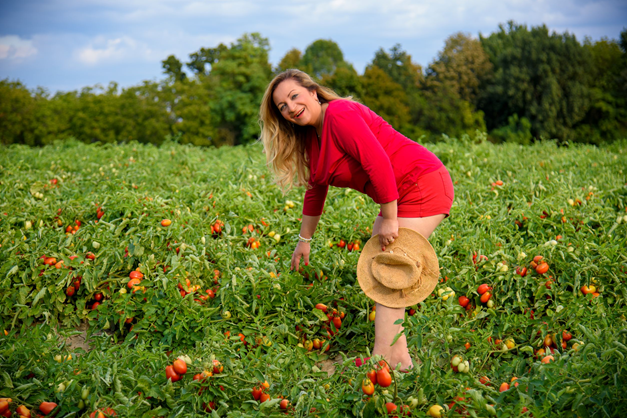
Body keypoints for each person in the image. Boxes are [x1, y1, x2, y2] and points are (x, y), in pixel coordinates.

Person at [259, 69, 454, 371]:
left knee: (391, 267)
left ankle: (386, 361)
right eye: (282, 107)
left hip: (421, 182)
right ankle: (396, 359)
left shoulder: (339, 113)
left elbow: (378, 162)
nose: (290, 108)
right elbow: (315, 190)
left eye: (294, 96)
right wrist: (304, 241)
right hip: (399, 193)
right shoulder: (313, 136)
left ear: (313, 92)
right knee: (385, 267)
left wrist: (388, 217)